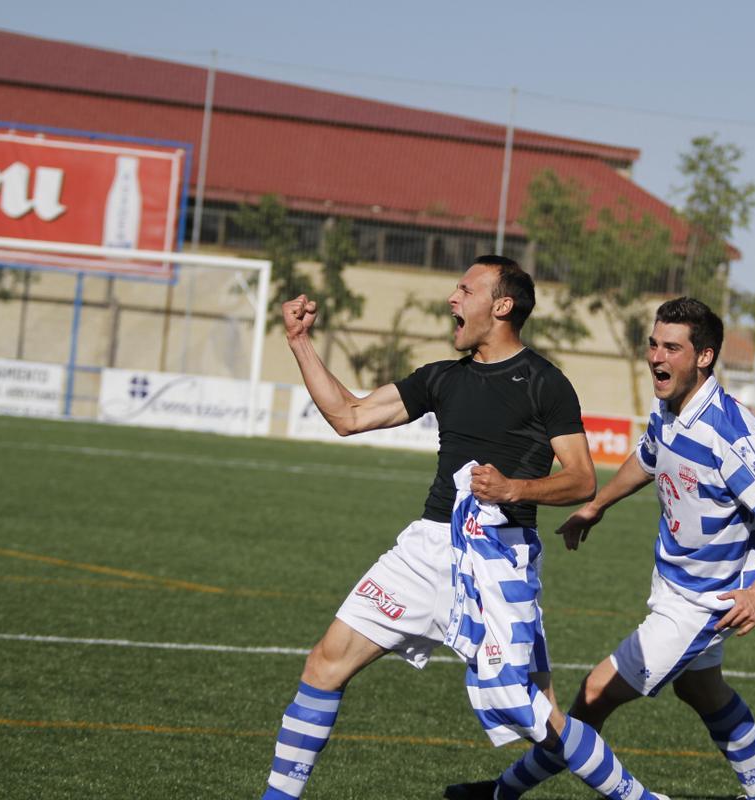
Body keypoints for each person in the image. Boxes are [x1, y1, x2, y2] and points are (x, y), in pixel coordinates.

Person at [262, 255, 671, 800]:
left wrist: (515, 489)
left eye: (465, 289)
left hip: (498, 558)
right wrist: (299, 342)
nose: (452, 299)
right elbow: (349, 416)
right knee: (324, 663)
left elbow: (580, 480)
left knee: (536, 714)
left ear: (501, 306)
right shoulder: (441, 378)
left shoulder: (545, 383)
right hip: (426, 549)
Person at [445, 297, 755, 800]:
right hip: (673, 582)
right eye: (653, 344)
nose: (656, 358)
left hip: (707, 599)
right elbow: (647, 459)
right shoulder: (670, 409)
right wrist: (596, 505)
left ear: (704, 357)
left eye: (672, 348)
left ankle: (502, 792)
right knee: (702, 690)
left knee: (595, 694)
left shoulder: (728, 431)